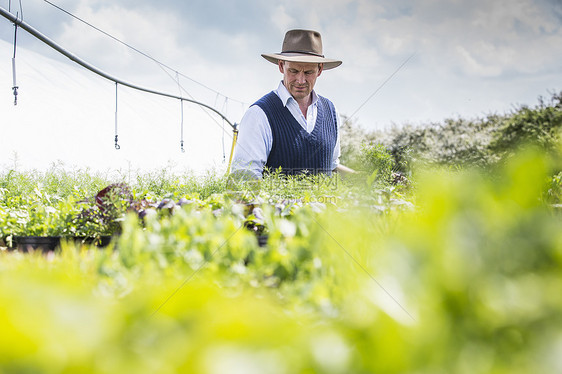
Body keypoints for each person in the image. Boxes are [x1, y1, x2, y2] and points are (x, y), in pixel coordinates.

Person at [231, 29, 354, 179]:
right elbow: (244, 178)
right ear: (281, 66)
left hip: (324, 202)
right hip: (275, 203)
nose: (301, 80)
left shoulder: (331, 111)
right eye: (294, 71)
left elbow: (332, 165)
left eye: (308, 72)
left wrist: (361, 178)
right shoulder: (260, 114)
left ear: (320, 69)